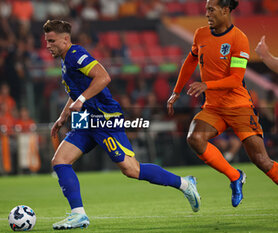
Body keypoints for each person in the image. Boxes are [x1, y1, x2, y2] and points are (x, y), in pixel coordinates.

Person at [43, 19, 201, 230]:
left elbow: (103, 77)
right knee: (60, 161)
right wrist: (63, 116)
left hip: (104, 118)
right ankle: (78, 214)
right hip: (87, 119)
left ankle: (185, 183)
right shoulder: (65, 60)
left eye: (52, 41)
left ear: (65, 39)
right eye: (46, 41)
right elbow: (76, 92)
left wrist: (81, 100)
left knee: (131, 169)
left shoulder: (75, 54)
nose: (48, 45)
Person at [167, 0, 278, 209]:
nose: (207, 14)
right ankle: (235, 177)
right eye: (206, 9)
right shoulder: (201, 34)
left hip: (239, 106)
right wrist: (176, 91)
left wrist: (206, 84)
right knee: (195, 138)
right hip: (213, 107)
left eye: (211, 9)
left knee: (262, 160)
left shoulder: (239, 38)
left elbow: (236, 79)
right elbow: (191, 60)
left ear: (225, 10)